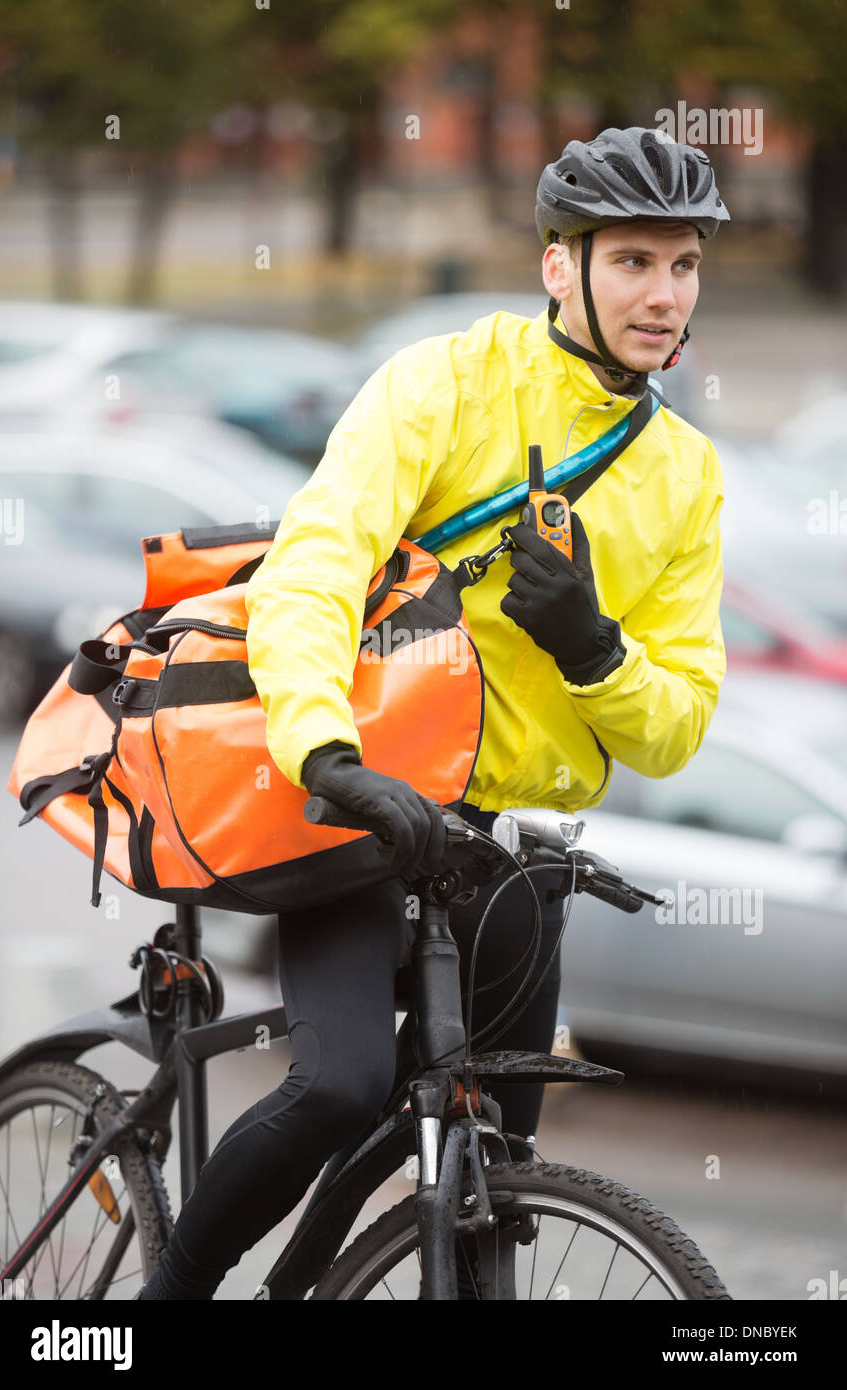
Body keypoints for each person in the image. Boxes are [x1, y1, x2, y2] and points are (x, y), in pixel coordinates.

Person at [137, 126, 730, 1299]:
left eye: (682, 264)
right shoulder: (445, 383)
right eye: (632, 263)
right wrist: (323, 751)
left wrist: (593, 648)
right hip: (365, 799)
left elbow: (671, 727)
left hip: (504, 845)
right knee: (345, 1084)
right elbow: (311, 569)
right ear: (560, 265)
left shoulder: (685, 473)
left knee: (489, 1166)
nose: (663, 295)